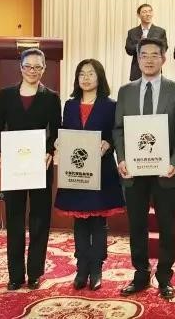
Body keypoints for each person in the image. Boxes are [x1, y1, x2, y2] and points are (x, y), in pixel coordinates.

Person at [113, 37, 175, 300]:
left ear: (164, 58)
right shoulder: (125, 91)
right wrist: (121, 158)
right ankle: (141, 273)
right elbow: (119, 129)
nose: (148, 59)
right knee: (137, 225)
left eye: (154, 55)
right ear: (137, 59)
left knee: (167, 225)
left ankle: (165, 277)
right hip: (134, 172)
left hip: (165, 171)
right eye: (143, 55)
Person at [0, 48, 62, 291]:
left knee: (40, 219)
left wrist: (50, 151)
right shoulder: (6, 95)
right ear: (20, 68)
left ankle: (34, 273)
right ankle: (15, 275)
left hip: (40, 165)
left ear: (44, 69)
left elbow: (56, 129)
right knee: (14, 218)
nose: (33, 71)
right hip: (14, 165)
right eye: (28, 66)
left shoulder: (51, 97)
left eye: (38, 67)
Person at [54, 59, 125, 290]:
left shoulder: (110, 105)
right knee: (80, 222)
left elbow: (116, 133)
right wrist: (59, 141)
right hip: (76, 171)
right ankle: (81, 268)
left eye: (91, 74)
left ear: (99, 77)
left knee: (98, 222)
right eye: (81, 74)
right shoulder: (70, 105)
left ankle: (96, 269)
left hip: (101, 170)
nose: (85, 78)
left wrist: (108, 144)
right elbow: (65, 130)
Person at [125, 4, 168, 81]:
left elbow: (164, 48)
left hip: (155, 69)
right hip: (137, 71)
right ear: (138, 15)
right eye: (144, 12)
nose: (148, 14)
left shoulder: (160, 31)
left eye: (150, 11)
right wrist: (139, 44)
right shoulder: (132, 32)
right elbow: (128, 50)